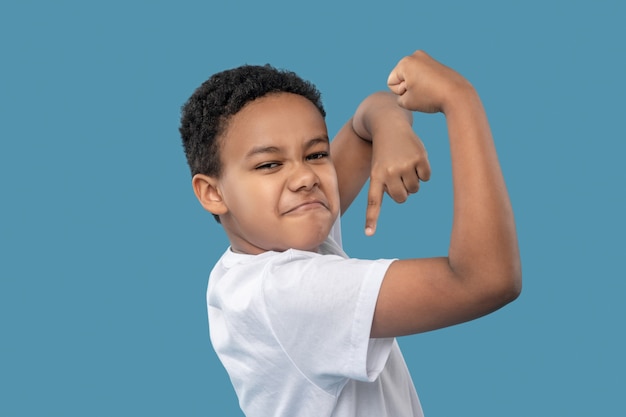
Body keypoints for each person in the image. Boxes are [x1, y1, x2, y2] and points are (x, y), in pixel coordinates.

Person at [179, 50, 522, 417]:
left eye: (316, 154)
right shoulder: (288, 292)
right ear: (212, 193)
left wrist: (391, 127)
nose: (305, 177)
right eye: (269, 164)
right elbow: (486, 279)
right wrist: (460, 99)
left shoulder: (263, 252)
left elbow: (368, 118)